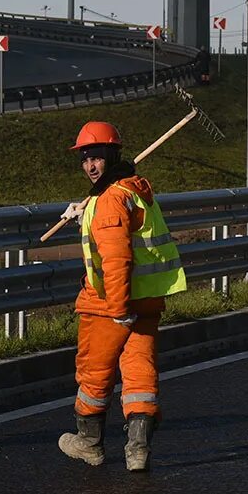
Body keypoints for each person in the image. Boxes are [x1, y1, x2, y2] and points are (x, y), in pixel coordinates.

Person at [58, 121, 187, 472]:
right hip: (145, 301)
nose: (90, 166)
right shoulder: (131, 189)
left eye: (97, 157)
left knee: (94, 372)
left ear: (112, 155)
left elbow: (116, 260)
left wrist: (116, 309)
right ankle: (138, 450)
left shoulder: (111, 199)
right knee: (139, 372)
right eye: (85, 159)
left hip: (110, 304)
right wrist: (86, 211)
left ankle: (89, 442)